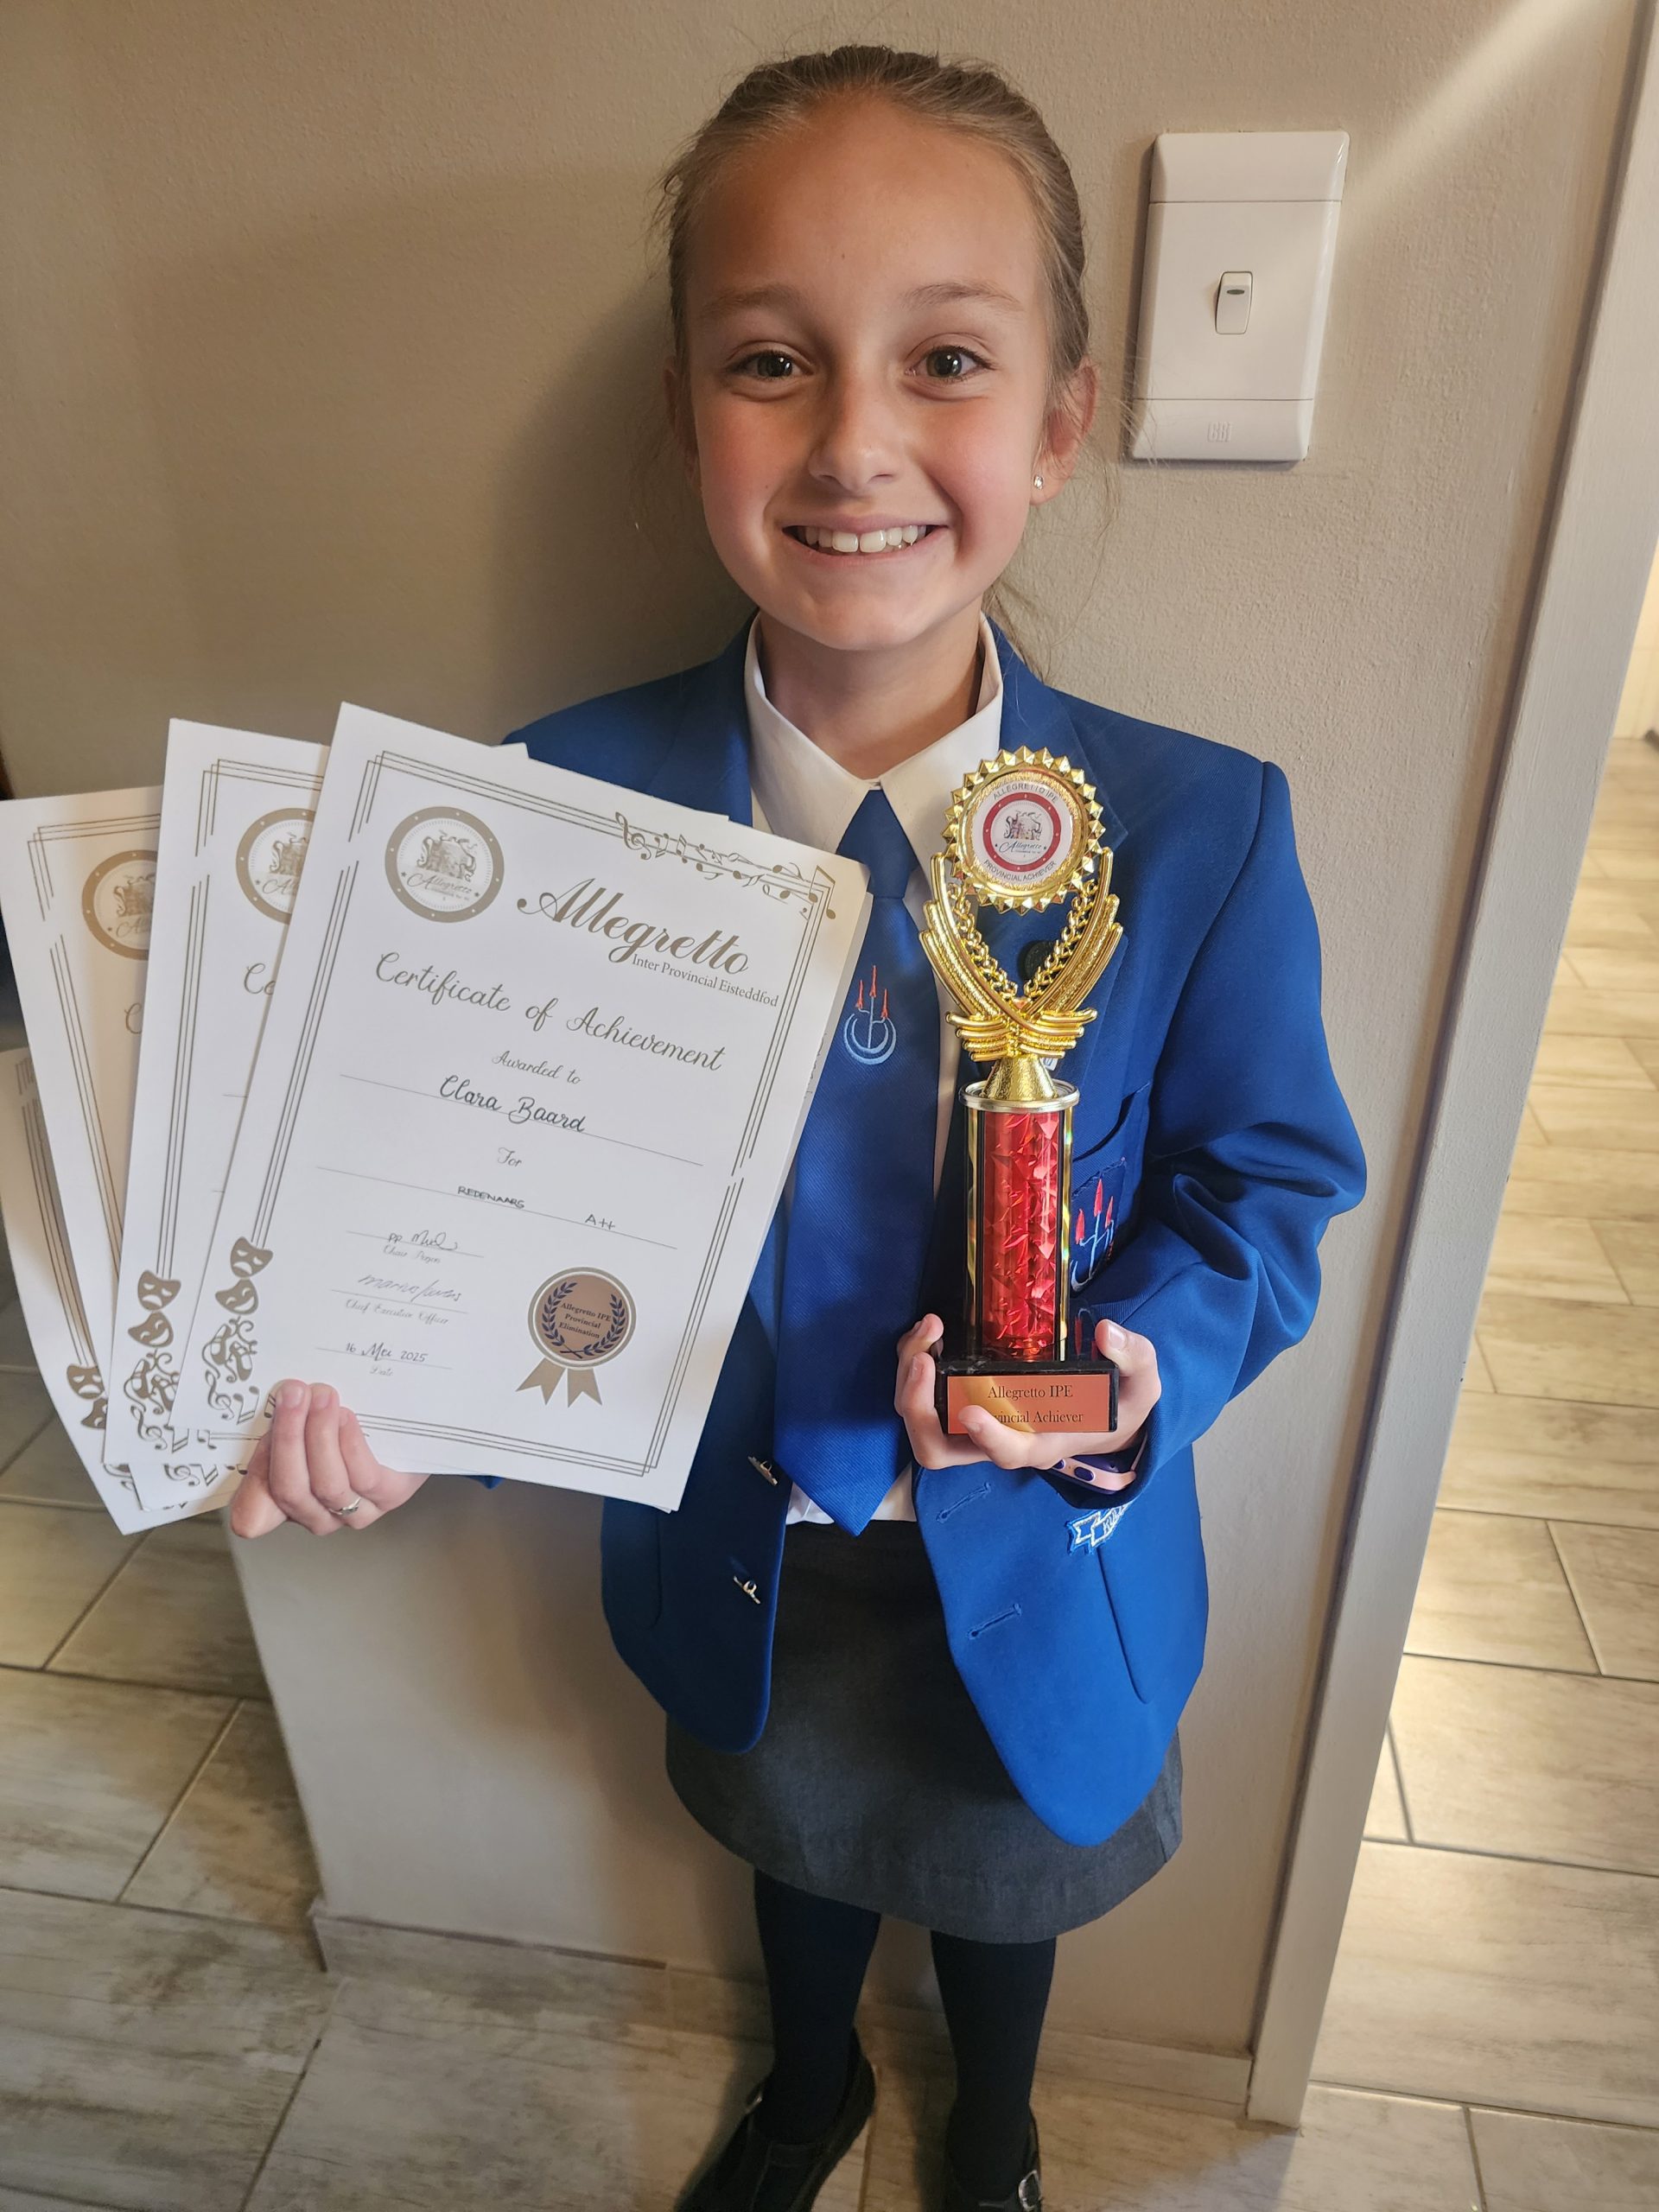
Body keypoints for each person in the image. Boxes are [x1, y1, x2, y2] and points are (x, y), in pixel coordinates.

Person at [229, 42, 1368, 2212]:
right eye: (771, 360)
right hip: (747, 1540)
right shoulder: (540, 809)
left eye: (946, 358)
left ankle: (996, 2125)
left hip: (1044, 1549)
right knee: (795, 1835)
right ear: (688, 416)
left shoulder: (1202, 826)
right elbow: (483, 1188)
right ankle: (810, 2084)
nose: (853, 441)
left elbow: (1270, 1180)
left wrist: (1139, 1360)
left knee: (1014, 1872)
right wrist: (398, 1396)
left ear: (1059, 420)